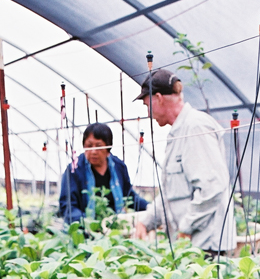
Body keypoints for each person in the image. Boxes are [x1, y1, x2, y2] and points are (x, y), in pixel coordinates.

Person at [134, 69, 236, 255]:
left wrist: (186, 227)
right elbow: (171, 193)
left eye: (148, 105)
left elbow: (212, 187)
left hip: (206, 248)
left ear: (159, 98)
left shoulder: (195, 127)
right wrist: (146, 221)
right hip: (191, 246)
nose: (149, 113)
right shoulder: (179, 132)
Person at [59, 122, 147, 226]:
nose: (93, 151)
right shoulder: (74, 169)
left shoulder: (119, 166)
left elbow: (129, 196)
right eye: (89, 146)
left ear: (108, 148)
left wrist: (150, 208)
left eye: (99, 146)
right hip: (85, 229)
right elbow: (67, 206)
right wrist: (89, 225)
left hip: (114, 227)